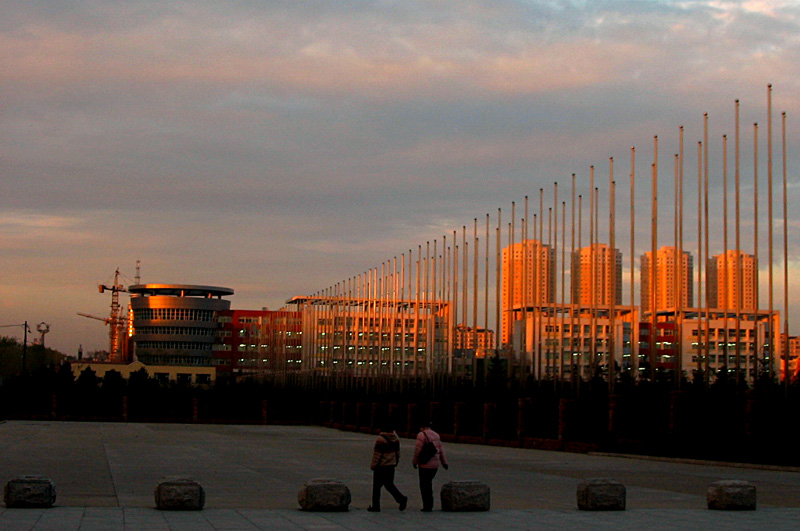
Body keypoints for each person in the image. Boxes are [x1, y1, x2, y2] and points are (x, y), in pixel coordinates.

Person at [368, 424, 408, 512]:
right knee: (389, 484)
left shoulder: (380, 439)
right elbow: (398, 453)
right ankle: (401, 499)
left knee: (377, 487)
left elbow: (377, 455)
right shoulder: (396, 438)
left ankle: (376, 506)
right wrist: (395, 462)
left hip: (381, 466)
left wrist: (373, 465)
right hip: (391, 465)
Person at [412, 422, 448, 512]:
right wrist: (444, 462)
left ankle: (427, 505)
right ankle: (429, 504)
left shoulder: (421, 435)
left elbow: (417, 450)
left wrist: (414, 462)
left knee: (424, 485)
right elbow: (441, 449)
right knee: (428, 483)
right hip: (435, 465)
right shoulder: (436, 435)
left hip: (425, 464)